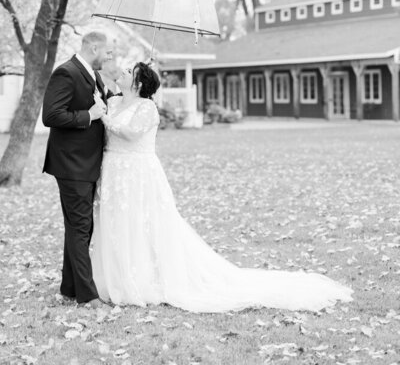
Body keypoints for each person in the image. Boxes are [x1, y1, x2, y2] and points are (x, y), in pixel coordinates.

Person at [90, 62, 353, 312]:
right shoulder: (112, 101)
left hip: (138, 174)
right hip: (114, 171)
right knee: (118, 223)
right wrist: (102, 108)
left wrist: (103, 118)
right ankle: (117, 277)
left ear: (137, 83)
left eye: (129, 71)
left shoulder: (147, 108)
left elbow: (131, 133)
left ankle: (143, 280)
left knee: (143, 224)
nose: (122, 72)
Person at [42, 31, 113, 308]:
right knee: (80, 227)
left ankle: (69, 288)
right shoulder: (66, 72)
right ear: (93, 47)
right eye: (107, 51)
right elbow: (51, 115)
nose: (109, 57)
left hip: (85, 163)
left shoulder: (92, 75)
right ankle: (87, 295)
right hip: (71, 164)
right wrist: (88, 116)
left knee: (80, 227)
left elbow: (100, 105)